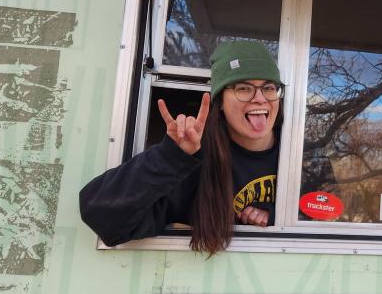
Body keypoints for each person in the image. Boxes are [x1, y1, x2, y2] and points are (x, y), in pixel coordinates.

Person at [80, 41, 283, 255]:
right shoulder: (197, 162)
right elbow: (102, 216)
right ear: (220, 101)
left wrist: (278, 215)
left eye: (269, 87)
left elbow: (319, 207)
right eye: (244, 88)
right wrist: (171, 156)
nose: (260, 98)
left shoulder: (301, 154)